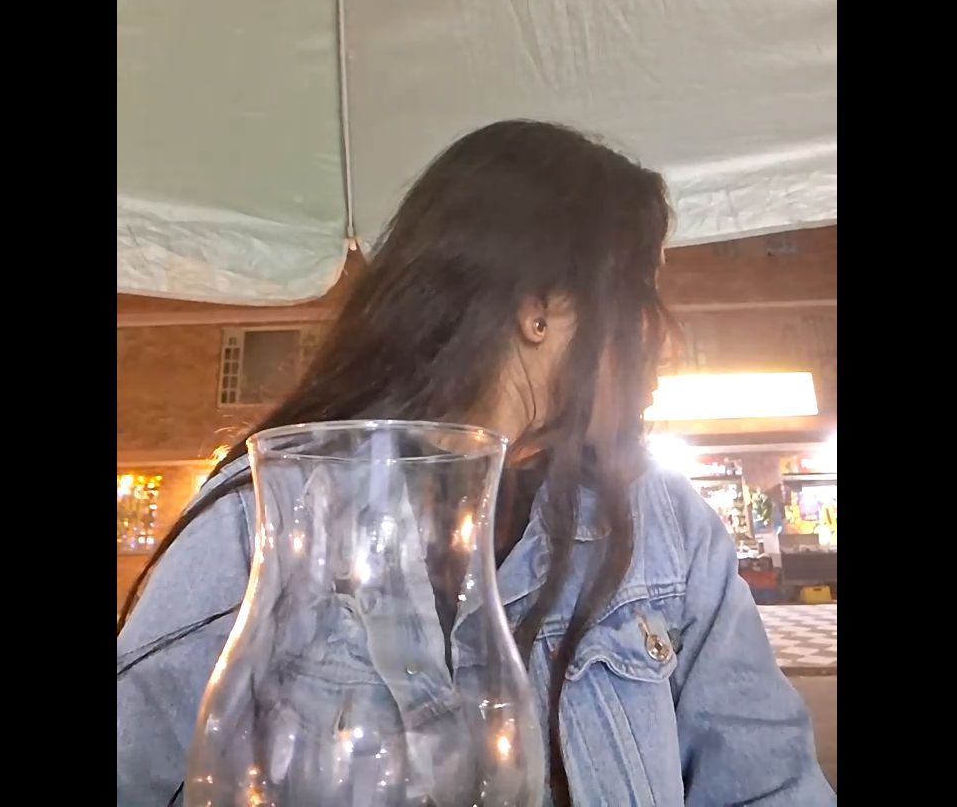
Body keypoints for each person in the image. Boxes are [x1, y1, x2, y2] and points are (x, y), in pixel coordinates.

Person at [117, 120, 835, 806]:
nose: (665, 340)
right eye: (640, 293)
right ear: (539, 308)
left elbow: (768, 787)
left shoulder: (666, 526)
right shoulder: (267, 522)